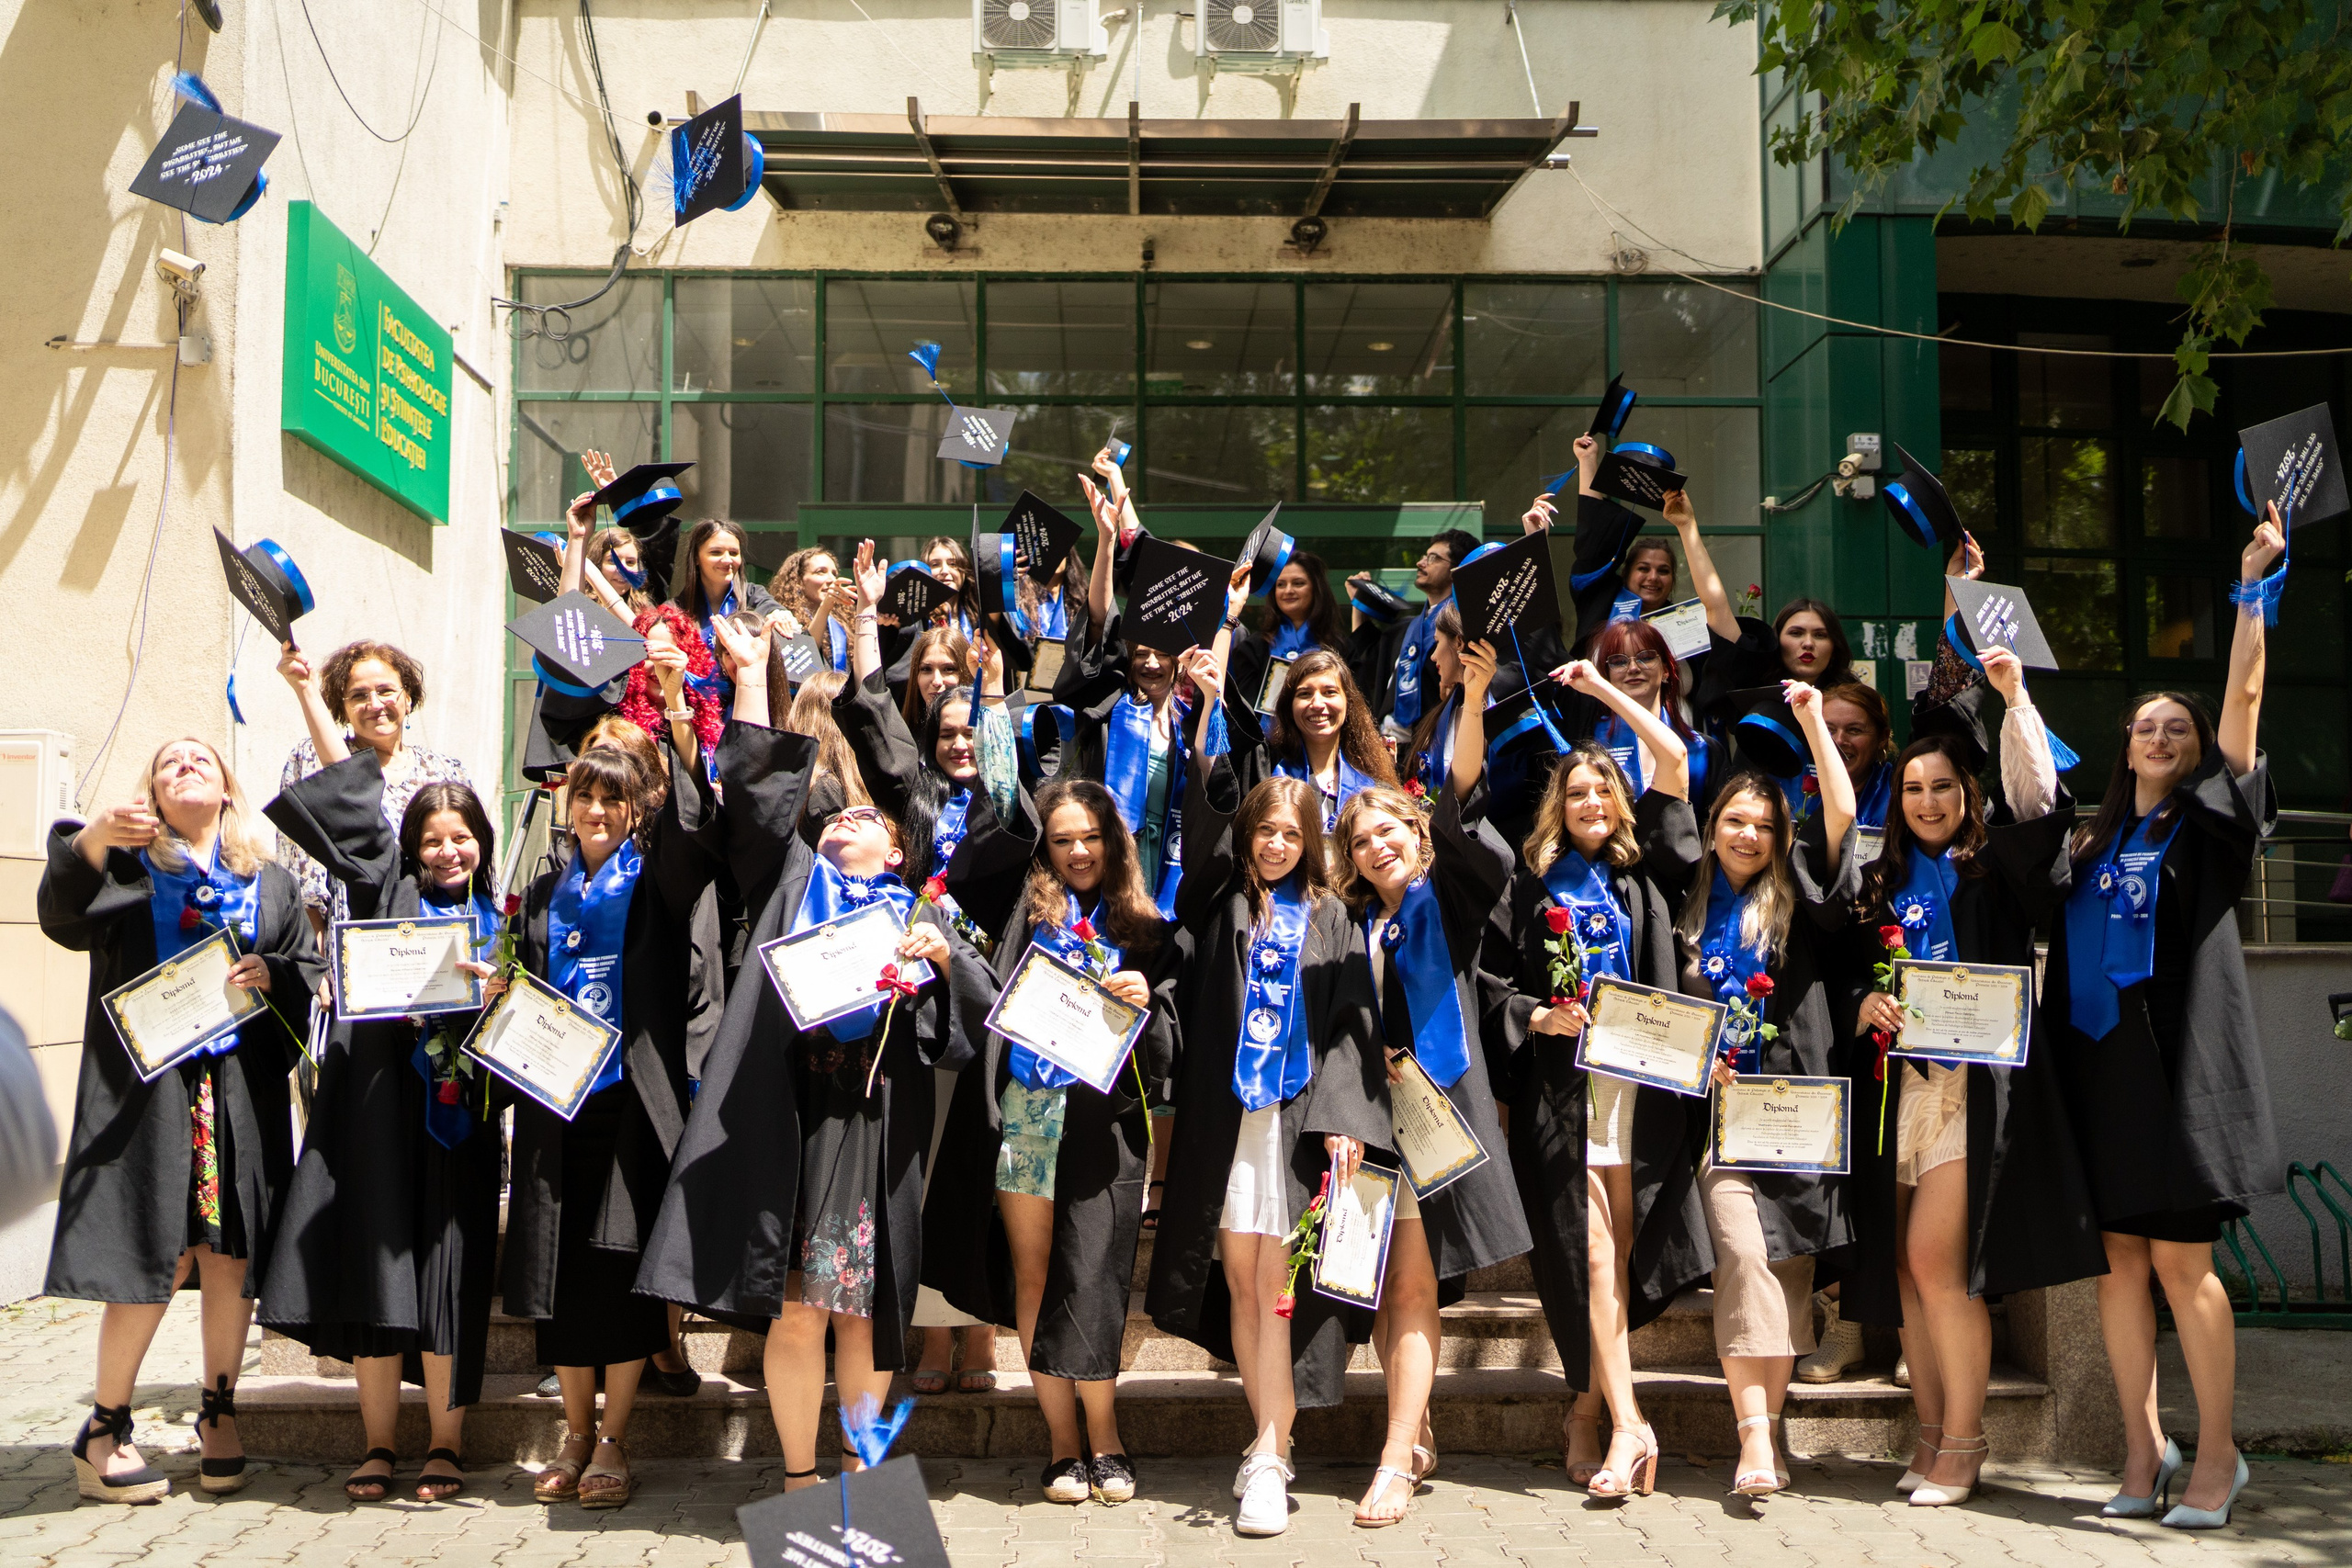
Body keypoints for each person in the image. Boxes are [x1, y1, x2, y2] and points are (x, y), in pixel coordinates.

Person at [637, 624, 979, 1493]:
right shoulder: (794, 885)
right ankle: (797, 1478)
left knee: (858, 1317)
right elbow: (754, 798)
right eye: (832, 818)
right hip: (788, 1123)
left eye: (861, 818)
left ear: (898, 848)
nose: (840, 824)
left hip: (868, 1134)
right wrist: (751, 678)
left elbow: (972, 1017)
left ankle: (862, 1480)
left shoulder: (916, 916)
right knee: (796, 1313)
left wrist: (936, 967)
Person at [2041, 511, 2286, 1530]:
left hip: (2178, 1077)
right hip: (2102, 1073)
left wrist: (2248, 591)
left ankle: (2217, 1457)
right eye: (2144, 725)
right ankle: (2143, 1453)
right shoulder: (2094, 836)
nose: (2158, 736)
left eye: (2173, 729)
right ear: (2123, 745)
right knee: (2120, 1269)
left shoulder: (2209, 826)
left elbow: (2241, 702)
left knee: (2185, 1269)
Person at [1839, 650, 2105, 1509]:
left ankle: (1966, 1440)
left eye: (1942, 789)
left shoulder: (1994, 870)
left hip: (1974, 1087)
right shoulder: (1881, 879)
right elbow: (1848, 971)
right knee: (1909, 1274)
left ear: (1967, 796)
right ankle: (1928, 1433)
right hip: (1903, 1087)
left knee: (1935, 1262)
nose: (1926, 803)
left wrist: (2014, 696)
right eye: (1913, 790)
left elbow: (2043, 805)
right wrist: (1866, 1005)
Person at [40, 738, 322, 1503]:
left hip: (237, 1086)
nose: (185, 766)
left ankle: (218, 1409)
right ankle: (102, 1426)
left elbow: (305, 968)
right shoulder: (127, 868)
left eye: (201, 758)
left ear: (229, 785)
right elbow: (61, 917)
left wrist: (277, 976)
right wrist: (94, 836)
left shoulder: (267, 881)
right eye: (168, 763)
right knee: (150, 1253)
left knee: (230, 1250)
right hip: (151, 1089)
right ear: (153, 797)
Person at [261, 685, 511, 1504]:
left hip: (459, 1123)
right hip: (376, 1112)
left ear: (482, 844)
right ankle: (377, 1444)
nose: (447, 851)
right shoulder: (381, 891)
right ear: (410, 847)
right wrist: (307, 693)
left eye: (462, 837)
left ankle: (444, 1442)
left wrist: (499, 992)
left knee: (449, 1272)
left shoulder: (505, 925)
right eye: (433, 839)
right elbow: (346, 803)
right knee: (378, 1268)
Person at [1148, 697, 1388, 1535]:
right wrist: (1209, 705)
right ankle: (1266, 1445)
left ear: (1310, 839)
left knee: (1278, 1293)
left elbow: (1354, 1024)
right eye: (1265, 831)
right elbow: (1201, 832)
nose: (1277, 845)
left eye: (1292, 833)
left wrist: (1347, 1117)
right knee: (1245, 1287)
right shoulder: (1222, 907)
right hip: (1228, 1127)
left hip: (1293, 1129)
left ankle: (1271, 1451)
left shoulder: (1333, 916)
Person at [922, 774, 1181, 1506]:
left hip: (1107, 1124)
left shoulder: (1145, 927)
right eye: (1062, 839)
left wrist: (1144, 1004)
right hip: (1028, 1115)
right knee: (1033, 1277)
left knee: (1095, 1277)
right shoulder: (1025, 914)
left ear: (1114, 841)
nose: (1077, 851)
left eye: (1091, 837)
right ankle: (1063, 1445)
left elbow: (1171, 1040)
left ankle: (1107, 1437)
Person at [1645, 682, 1859, 1500]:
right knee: (1741, 1250)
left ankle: (1768, 1438)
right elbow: (1666, 771)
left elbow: (1840, 819)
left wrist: (1812, 721)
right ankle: (1754, 1438)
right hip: (1718, 1121)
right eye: (1736, 819)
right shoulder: (1686, 901)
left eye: (1765, 825)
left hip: (1797, 1112)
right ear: (1713, 828)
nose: (1749, 833)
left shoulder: (1800, 898)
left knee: (1789, 1269)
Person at [1334, 648, 1532, 1527]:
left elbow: (1461, 796)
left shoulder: (1443, 902)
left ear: (1416, 838)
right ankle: (1410, 1431)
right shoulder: (1349, 925)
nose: (1378, 844)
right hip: (1363, 1118)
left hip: (1429, 1111)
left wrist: (1474, 698)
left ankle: (1394, 1457)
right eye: (1361, 837)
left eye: (1392, 831)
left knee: (1411, 1285)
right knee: (1379, 1286)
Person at [1490, 660, 1697, 1499]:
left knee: (1609, 1257)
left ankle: (1588, 1409)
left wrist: (1610, 696)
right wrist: (1537, 1016)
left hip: (1637, 1091)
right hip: (1563, 1095)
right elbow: (1494, 980)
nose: (1590, 804)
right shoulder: (1530, 883)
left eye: (1602, 792)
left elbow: (1674, 761)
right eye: (1575, 792)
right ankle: (1628, 1422)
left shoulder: (1642, 876)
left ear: (1618, 803)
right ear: (1557, 805)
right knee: (1589, 1257)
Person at [505, 735, 719, 1511]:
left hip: (631, 1104)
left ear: (635, 810)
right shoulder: (541, 892)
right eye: (585, 796)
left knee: (621, 1274)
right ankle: (572, 1429)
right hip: (554, 1105)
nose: (596, 810)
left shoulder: (654, 881)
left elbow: (695, 839)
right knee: (561, 1276)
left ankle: (614, 1438)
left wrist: (675, 718)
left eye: (612, 799)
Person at [276, 640, 473, 934]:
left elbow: (475, 863)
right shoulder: (314, 760)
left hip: (441, 935)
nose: (375, 704)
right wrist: (313, 968)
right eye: (358, 695)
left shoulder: (447, 771)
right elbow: (304, 876)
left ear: (408, 698)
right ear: (342, 708)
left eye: (385, 691)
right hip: (358, 937)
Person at [1229, 649, 1400, 836]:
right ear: (1289, 706)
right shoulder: (1266, 772)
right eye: (1304, 694)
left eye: (1329, 692)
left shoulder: (1373, 785)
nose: (1317, 704)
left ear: (1348, 702)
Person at [1567, 619, 1714, 810]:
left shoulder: (1703, 749)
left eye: (1645, 657)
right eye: (1618, 661)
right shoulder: (1587, 740)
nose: (1633, 668)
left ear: (1666, 671)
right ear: (1606, 677)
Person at [1349, 530, 1479, 734]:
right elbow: (1368, 657)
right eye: (1424, 557)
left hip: (1434, 741)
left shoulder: (1467, 629)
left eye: (1433, 558)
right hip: (1390, 747)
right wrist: (1359, 604)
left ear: (1457, 571)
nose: (1420, 563)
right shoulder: (1406, 629)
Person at [1228, 550, 1347, 712]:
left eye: (1298, 583)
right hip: (1267, 735)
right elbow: (1244, 709)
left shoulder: (1340, 646)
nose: (1288, 590)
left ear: (1316, 588)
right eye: (1281, 584)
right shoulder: (1254, 647)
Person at [772, 545, 852, 671]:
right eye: (821, 572)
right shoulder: (785, 620)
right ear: (798, 581)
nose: (831, 579)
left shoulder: (843, 620)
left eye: (834, 573)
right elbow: (804, 656)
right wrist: (824, 608)